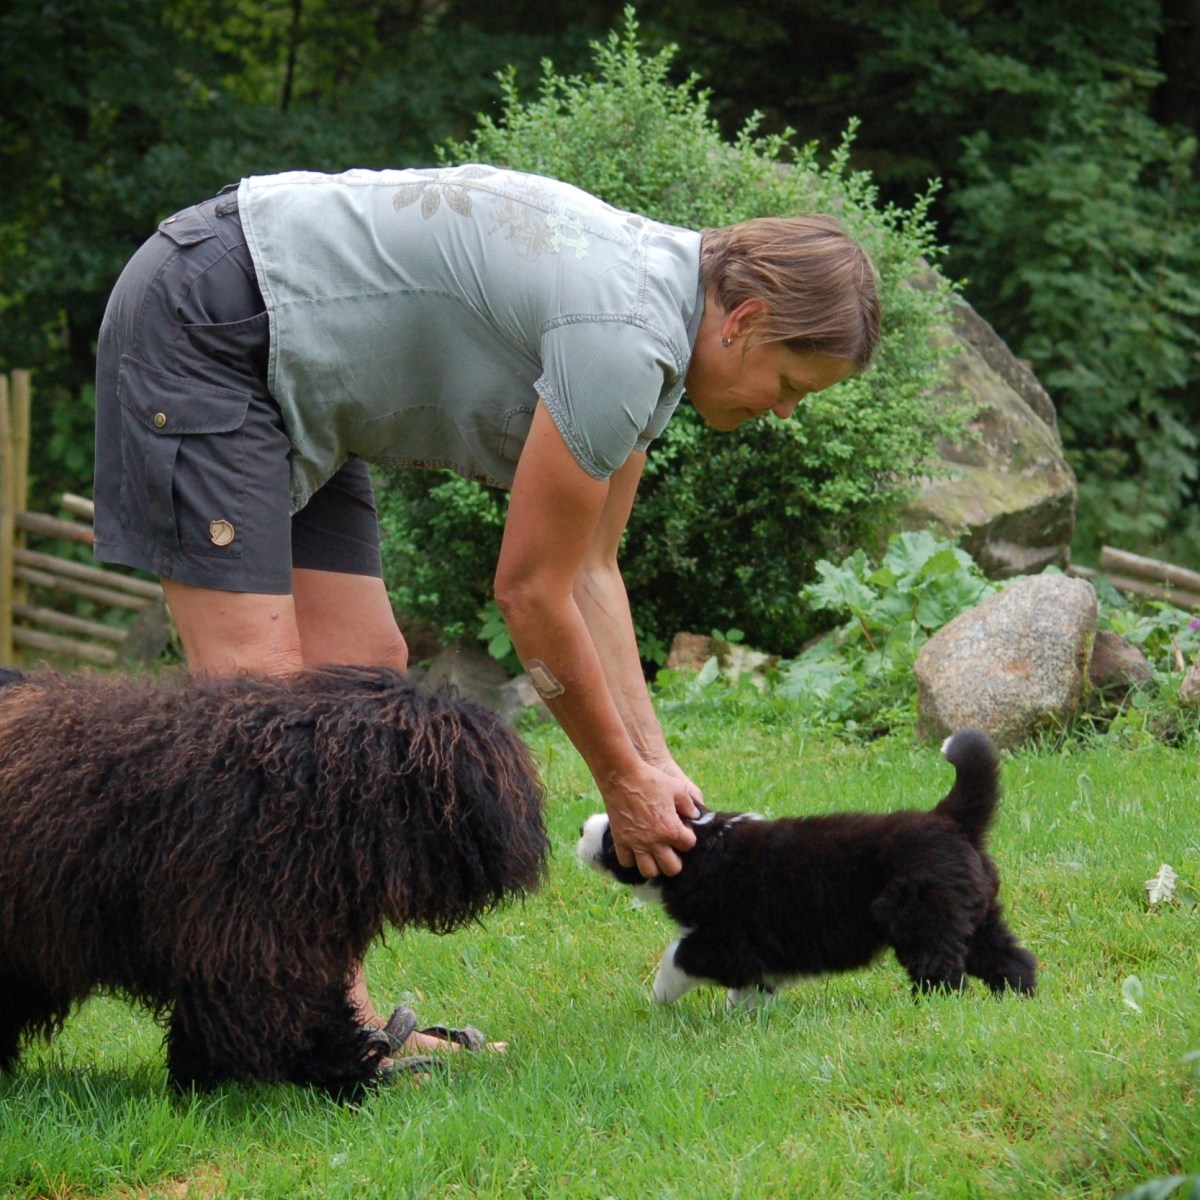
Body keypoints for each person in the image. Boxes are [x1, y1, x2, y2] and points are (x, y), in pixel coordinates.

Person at [93, 164, 879, 1064]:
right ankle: (301, 1031)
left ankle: (331, 1024)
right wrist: (618, 781)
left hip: (295, 379)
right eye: (790, 382)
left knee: (359, 680)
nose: (785, 410)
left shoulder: (659, 323)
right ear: (744, 322)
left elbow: (592, 572)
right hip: (214, 317)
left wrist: (653, 764)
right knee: (263, 718)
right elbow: (531, 593)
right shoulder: (623, 337)